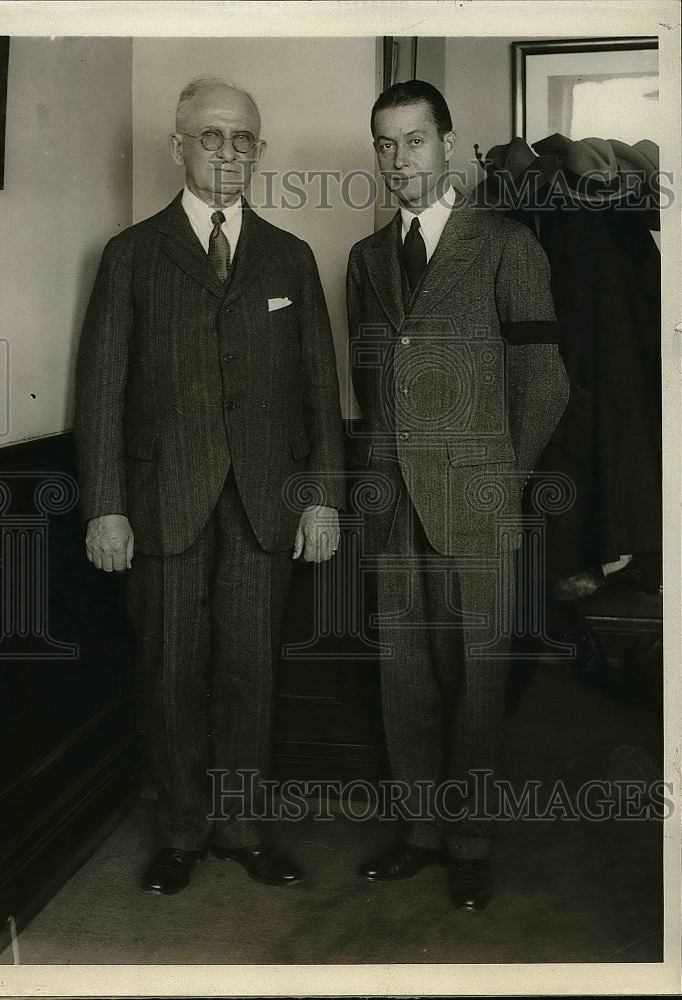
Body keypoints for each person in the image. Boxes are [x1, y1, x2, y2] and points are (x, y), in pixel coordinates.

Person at [74, 77, 344, 894]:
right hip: (163, 505)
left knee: (249, 673)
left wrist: (323, 496)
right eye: (212, 136)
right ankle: (182, 829)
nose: (229, 152)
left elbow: (317, 393)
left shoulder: (289, 256)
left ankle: (241, 825)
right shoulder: (131, 255)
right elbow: (101, 391)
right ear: (178, 144)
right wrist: (107, 507)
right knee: (169, 671)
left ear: (258, 151)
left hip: (266, 505)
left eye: (244, 139)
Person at [346, 80, 569, 909]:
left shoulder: (506, 244)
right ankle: (419, 830)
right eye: (383, 144)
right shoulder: (366, 260)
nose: (396, 160)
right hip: (392, 500)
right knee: (403, 671)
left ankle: (470, 840)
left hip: (476, 499)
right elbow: (370, 380)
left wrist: (498, 481)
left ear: (445, 143)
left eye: (412, 141)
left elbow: (543, 382)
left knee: (477, 673)